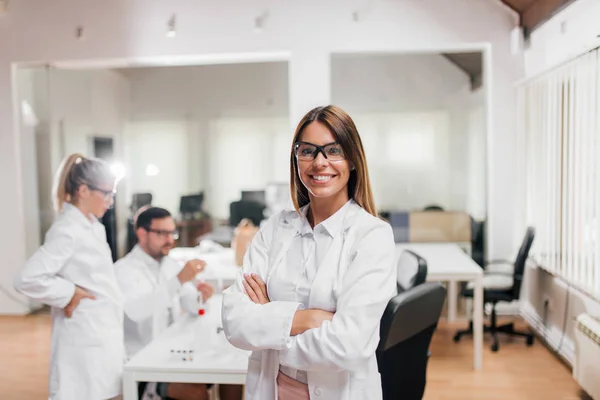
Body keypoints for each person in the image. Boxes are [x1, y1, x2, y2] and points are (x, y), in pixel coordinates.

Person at [222, 105, 397, 400]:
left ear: (353, 160)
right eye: (308, 151)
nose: (319, 162)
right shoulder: (276, 228)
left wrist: (269, 319)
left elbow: (348, 346)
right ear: (296, 159)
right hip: (270, 389)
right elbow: (234, 321)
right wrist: (310, 319)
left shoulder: (372, 236)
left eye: (333, 150)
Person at [14, 153, 125, 400]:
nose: (110, 201)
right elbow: (27, 278)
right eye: (106, 193)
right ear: (83, 190)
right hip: (84, 335)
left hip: (100, 330)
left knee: (108, 391)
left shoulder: (92, 226)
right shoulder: (68, 230)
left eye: (112, 194)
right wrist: (69, 293)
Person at [114, 206, 243, 400]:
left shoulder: (168, 264)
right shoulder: (123, 270)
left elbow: (190, 304)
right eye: (162, 233)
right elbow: (137, 311)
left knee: (231, 372)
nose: (169, 240)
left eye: (171, 233)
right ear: (142, 234)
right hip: (144, 365)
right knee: (195, 393)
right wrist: (179, 280)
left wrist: (201, 296)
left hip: (171, 354)